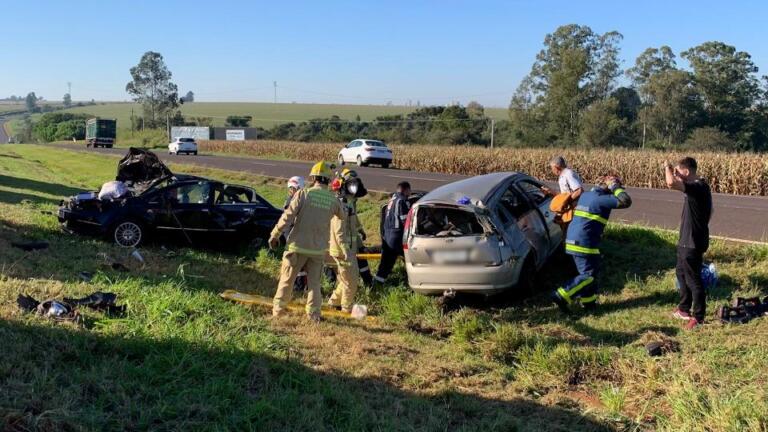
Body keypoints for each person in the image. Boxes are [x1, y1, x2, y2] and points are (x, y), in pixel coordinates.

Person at [269, 161, 347, 322]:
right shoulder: (333, 200)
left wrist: (275, 234)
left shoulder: (303, 194)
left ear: (313, 178)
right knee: (314, 284)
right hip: (317, 250)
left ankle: (278, 311)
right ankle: (313, 314)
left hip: (297, 246)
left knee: (287, 280)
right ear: (328, 180)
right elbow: (343, 215)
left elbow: (287, 217)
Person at [552, 175, 632, 312]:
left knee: (590, 274)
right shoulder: (601, 199)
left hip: (573, 240)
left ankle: (589, 305)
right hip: (584, 242)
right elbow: (625, 201)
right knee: (588, 276)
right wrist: (615, 187)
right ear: (608, 188)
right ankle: (561, 294)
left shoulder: (586, 196)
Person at [664, 157, 712, 330]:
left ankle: (699, 317)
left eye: (678, 171)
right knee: (681, 273)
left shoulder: (697, 187)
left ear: (686, 171)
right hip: (687, 240)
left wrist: (667, 167)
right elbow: (711, 211)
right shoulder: (698, 187)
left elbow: (670, 183)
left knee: (693, 279)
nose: (676, 174)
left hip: (692, 242)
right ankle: (684, 309)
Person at [327, 168, 368, 312]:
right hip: (342, 250)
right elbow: (339, 230)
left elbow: (353, 218)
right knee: (351, 280)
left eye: (355, 184)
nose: (354, 187)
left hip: (346, 248)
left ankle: (334, 302)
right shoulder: (340, 204)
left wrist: (360, 229)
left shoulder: (348, 203)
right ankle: (346, 308)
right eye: (351, 184)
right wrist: (345, 249)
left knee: (345, 278)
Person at [374, 181, 411, 286]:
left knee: (385, 265)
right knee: (411, 258)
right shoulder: (402, 201)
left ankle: (376, 285)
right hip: (397, 237)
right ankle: (414, 282)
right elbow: (405, 221)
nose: (410, 193)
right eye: (409, 190)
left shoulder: (391, 201)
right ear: (406, 190)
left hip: (387, 236)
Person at [282, 176, 307, 291]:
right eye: (291, 188)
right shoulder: (292, 201)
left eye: (293, 188)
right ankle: (298, 286)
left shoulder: (295, 199)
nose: (292, 190)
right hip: (292, 234)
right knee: (294, 261)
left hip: (294, 234)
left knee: (298, 262)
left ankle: (300, 285)